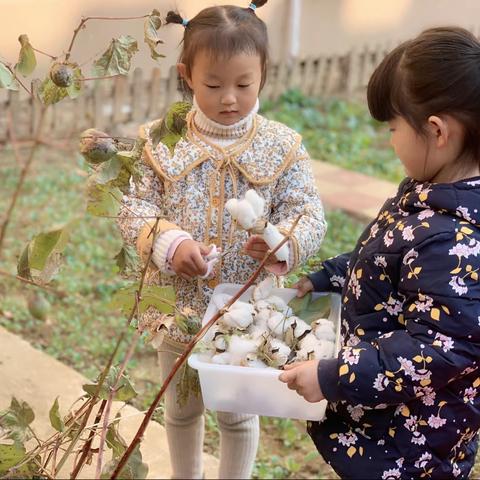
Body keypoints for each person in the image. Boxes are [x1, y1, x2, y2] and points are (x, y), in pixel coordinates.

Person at [117, 1, 326, 478]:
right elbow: (134, 207)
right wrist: (169, 243)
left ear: (263, 76)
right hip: (179, 307)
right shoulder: (159, 141)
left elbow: (306, 210)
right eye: (213, 85)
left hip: (245, 307)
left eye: (243, 84)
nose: (229, 98)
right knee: (181, 406)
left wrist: (282, 241)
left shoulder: (282, 146)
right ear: (187, 75)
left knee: (236, 411)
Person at [280, 26, 480, 479]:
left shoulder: (455, 240)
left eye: (393, 127)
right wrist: (330, 275)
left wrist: (332, 377)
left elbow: (432, 349)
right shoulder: (429, 193)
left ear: (437, 131)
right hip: (382, 431)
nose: (390, 141)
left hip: (411, 451)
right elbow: (387, 258)